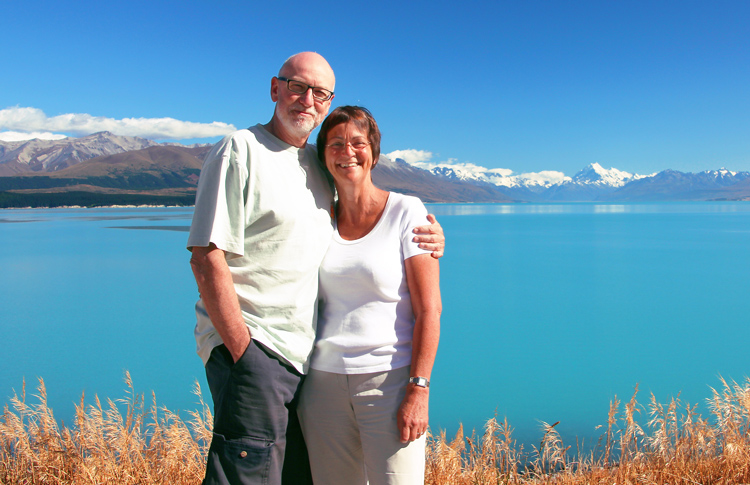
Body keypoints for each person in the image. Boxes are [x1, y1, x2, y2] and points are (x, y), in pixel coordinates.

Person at [187, 53, 444, 485]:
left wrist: (432, 239)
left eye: (320, 93)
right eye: (296, 87)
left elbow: (377, 237)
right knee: (247, 474)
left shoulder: (315, 169)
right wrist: (242, 350)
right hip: (258, 350)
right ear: (275, 89)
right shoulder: (241, 150)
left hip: (302, 360)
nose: (307, 100)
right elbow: (206, 254)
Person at [298, 106, 441, 485]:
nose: (347, 151)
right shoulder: (318, 219)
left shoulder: (406, 211)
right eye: (336, 143)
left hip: (390, 384)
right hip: (322, 385)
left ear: (373, 153)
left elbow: (430, 309)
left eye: (358, 143)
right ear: (324, 155)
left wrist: (419, 389)